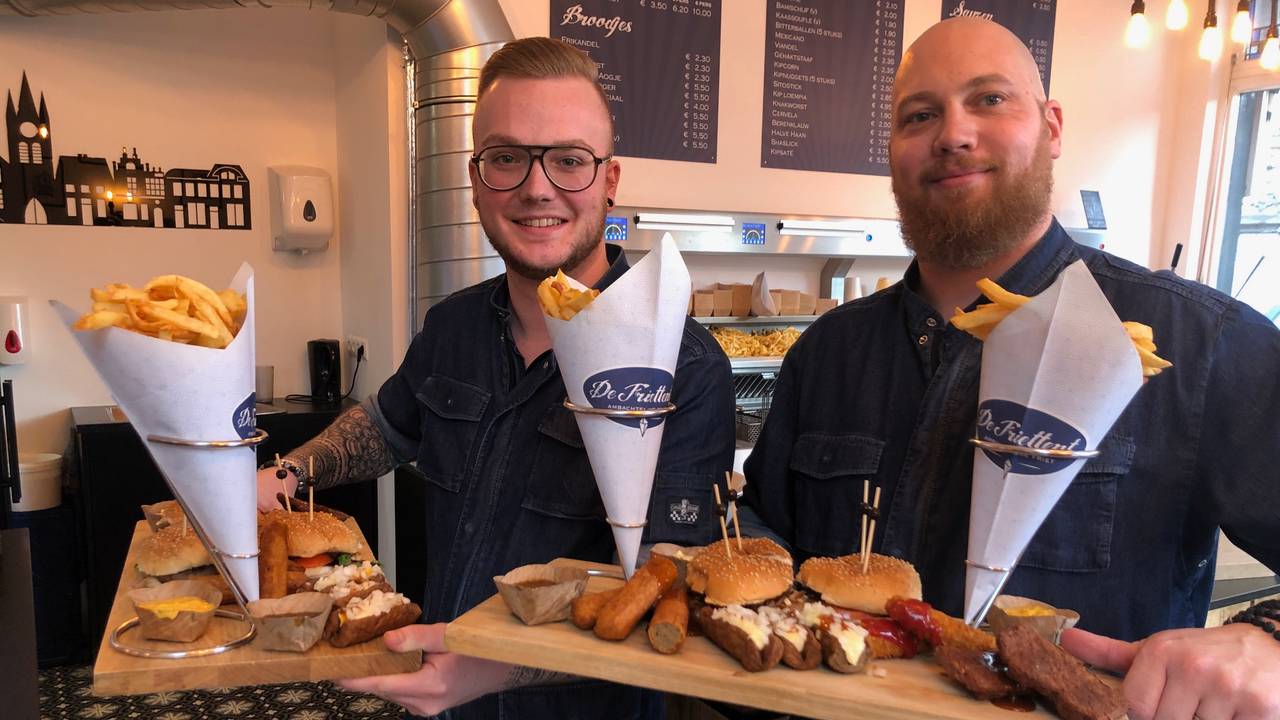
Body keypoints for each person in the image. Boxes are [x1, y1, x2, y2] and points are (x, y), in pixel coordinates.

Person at [743, 17, 1280, 720]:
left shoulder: (1201, 344)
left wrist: (1266, 639)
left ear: (1052, 127)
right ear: (893, 150)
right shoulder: (829, 354)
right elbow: (763, 547)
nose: (953, 134)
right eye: (920, 114)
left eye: (990, 100)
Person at [257, 37, 735, 719]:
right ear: (477, 178)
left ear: (610, 179)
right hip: (443, 700)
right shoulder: (452, 326)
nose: (537, 187)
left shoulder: (684, 368)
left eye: (569, 160)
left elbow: (667, 589)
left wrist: (493, 669)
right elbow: (389, 426)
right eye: (508, 158)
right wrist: (285, 477)